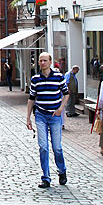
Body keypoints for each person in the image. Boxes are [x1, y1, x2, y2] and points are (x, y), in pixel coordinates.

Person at [26, 52, 69, 189]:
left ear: (50, 62)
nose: (42, 63)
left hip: (55, 116)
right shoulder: (35, 79)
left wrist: (61, 109)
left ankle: (62, 171)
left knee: (57, 147)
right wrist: (28, 117)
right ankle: (46, 177)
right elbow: (31, 98)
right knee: (43, 147)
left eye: (45, 60)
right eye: (40, 60)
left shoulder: (58, 77)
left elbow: (66, 94)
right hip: (41, 115)